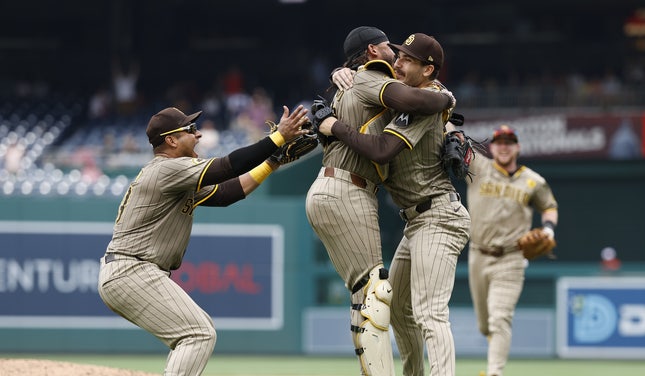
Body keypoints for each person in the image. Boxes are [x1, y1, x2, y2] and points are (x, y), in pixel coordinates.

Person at [97, 105, 309, 376]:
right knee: (198, 333)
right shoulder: (168, 169)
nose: (198, 135)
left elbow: (225, 194)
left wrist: (272, 162)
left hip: (129, 271)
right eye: (190, 130)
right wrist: (278, 138)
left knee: (195, 333)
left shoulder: (176, 176)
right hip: (132, 270)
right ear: (171, 140)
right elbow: (226, 167)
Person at [305, 27, 456, 376]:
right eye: (396, 52)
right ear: (373, 52)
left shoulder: (412, 97)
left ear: (428, 69)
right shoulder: (372, 79)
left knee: (417, 309)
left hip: (437, 214)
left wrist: (332, 123)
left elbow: (386, 147)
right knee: (378, 296)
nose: (399, 59)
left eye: (407, 57)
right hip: (378, 202)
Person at [465, 125, 558, 376]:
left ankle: (495, 371)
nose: (504, 146)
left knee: (499, 318)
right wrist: (441, 104)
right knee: (485, 325)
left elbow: (549, 206)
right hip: (477, 254)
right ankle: (493, 356)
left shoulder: (533, 180)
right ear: (492, 146)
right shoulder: (478, 166)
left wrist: (548, 230)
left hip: (511, 258)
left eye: (509, 142)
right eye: (499, 142)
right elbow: (453, 133)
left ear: (517, 147)